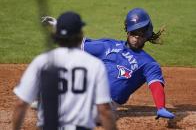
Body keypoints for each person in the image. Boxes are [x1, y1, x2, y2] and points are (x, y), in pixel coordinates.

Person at [41, 8, 175, 119]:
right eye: (134, 32)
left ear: (147, 35)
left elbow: (156, 85)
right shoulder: (109, 45)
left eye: (141, 33)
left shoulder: (149, 64)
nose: (137, 37)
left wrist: (161, 106)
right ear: (128, 31)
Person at [12, 11, 117, 130]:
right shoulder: (95, 65)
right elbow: (104, 109)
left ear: (57, 35)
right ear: (80, 34)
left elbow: (21, 104)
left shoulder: (42, 61)